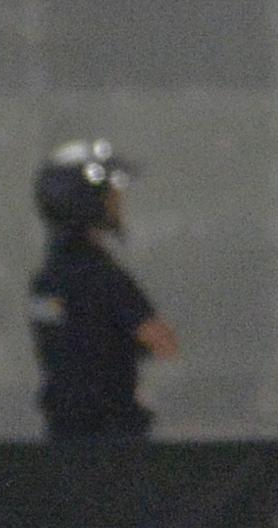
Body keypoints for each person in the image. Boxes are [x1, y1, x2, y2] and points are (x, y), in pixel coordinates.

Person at [29, 139, 178, 440]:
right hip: (111, 436)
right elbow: (162, 341)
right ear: (86, 200)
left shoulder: (46, 279)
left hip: (62, 431)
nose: (118, 200)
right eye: (110, 193)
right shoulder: (103, 276)